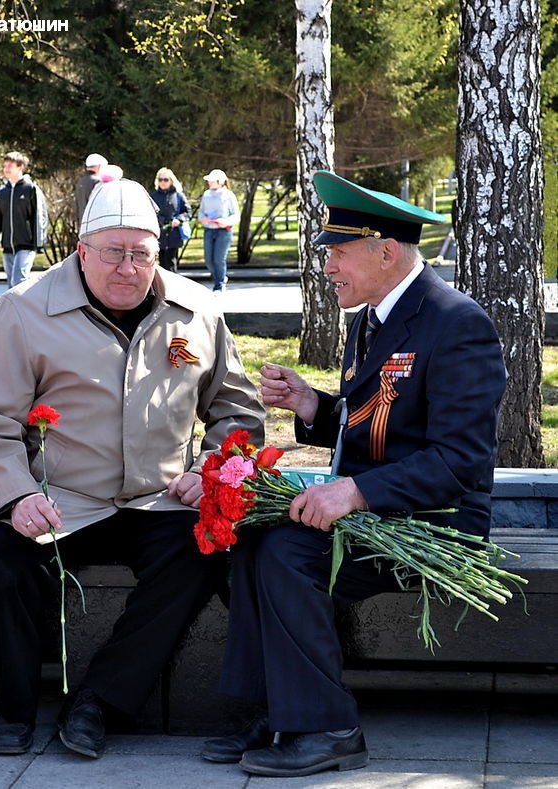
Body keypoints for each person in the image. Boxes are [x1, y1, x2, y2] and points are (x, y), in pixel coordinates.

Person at [202, 170, 507, 777]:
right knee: (251, 539)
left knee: (289, 553)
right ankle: (273, 705)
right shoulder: (372, 316)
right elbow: (383, 417)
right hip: (378, 508)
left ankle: (326, 727)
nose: (328, 267)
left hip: (436, 520)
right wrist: (315, 406)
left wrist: (360, 490)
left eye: (338, 253)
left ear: (385, 251)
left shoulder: (456, 323)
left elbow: (460, 459)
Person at [0, 179, 264, 760]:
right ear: (81, 250)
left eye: (141, 254)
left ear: (158, 252)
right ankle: (16, 704)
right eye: (113, 252)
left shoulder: (196, 310)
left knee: (208, 554)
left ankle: (98, 701)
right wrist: (17, 495)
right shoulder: (25, 310)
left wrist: (212, 469)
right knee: (3, 559)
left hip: (160, 498)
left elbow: (236, 410)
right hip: (62, 497)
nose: (128, 268)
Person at [0, 151, 49, 288]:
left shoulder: (31, 189)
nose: (6, 169)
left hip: (26, 244)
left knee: (19, 280)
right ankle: (16, 310)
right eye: (5, 166)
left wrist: (39, 243)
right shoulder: (2, 192)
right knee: (11, 285)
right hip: (8, 246)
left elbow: (39, 216)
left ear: (20, 167)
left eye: (10, 166)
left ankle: (27, 309)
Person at [197, 168, 240, 292]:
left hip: (223, 231)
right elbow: (201, 213)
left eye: (212, 180)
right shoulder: (206, 194)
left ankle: (219, 285)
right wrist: (203, 219)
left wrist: (225, 221)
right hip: (209, 230)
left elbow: (236, 215)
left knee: (219, 259)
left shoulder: (228, 195)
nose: (209, 183)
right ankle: (219, 277)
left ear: (220, 181)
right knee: (209, 260)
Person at [150, 167, 192, 272]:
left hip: (174, 234)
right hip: (159, 234)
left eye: (165, 179)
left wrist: (179, 219)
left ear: (171, 181)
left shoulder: (178, 196)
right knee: (162, 262)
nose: (163, 182)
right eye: (160, 180)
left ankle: (172, 287)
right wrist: (160, 220)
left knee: (172, 262)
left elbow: (188, 212)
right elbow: (149, 213)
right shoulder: (153, 196)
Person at [74, 153, 107, 222]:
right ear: (99, 166)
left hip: (83, 226)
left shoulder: (80, 182)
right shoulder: (98, 182)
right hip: (96, 225)